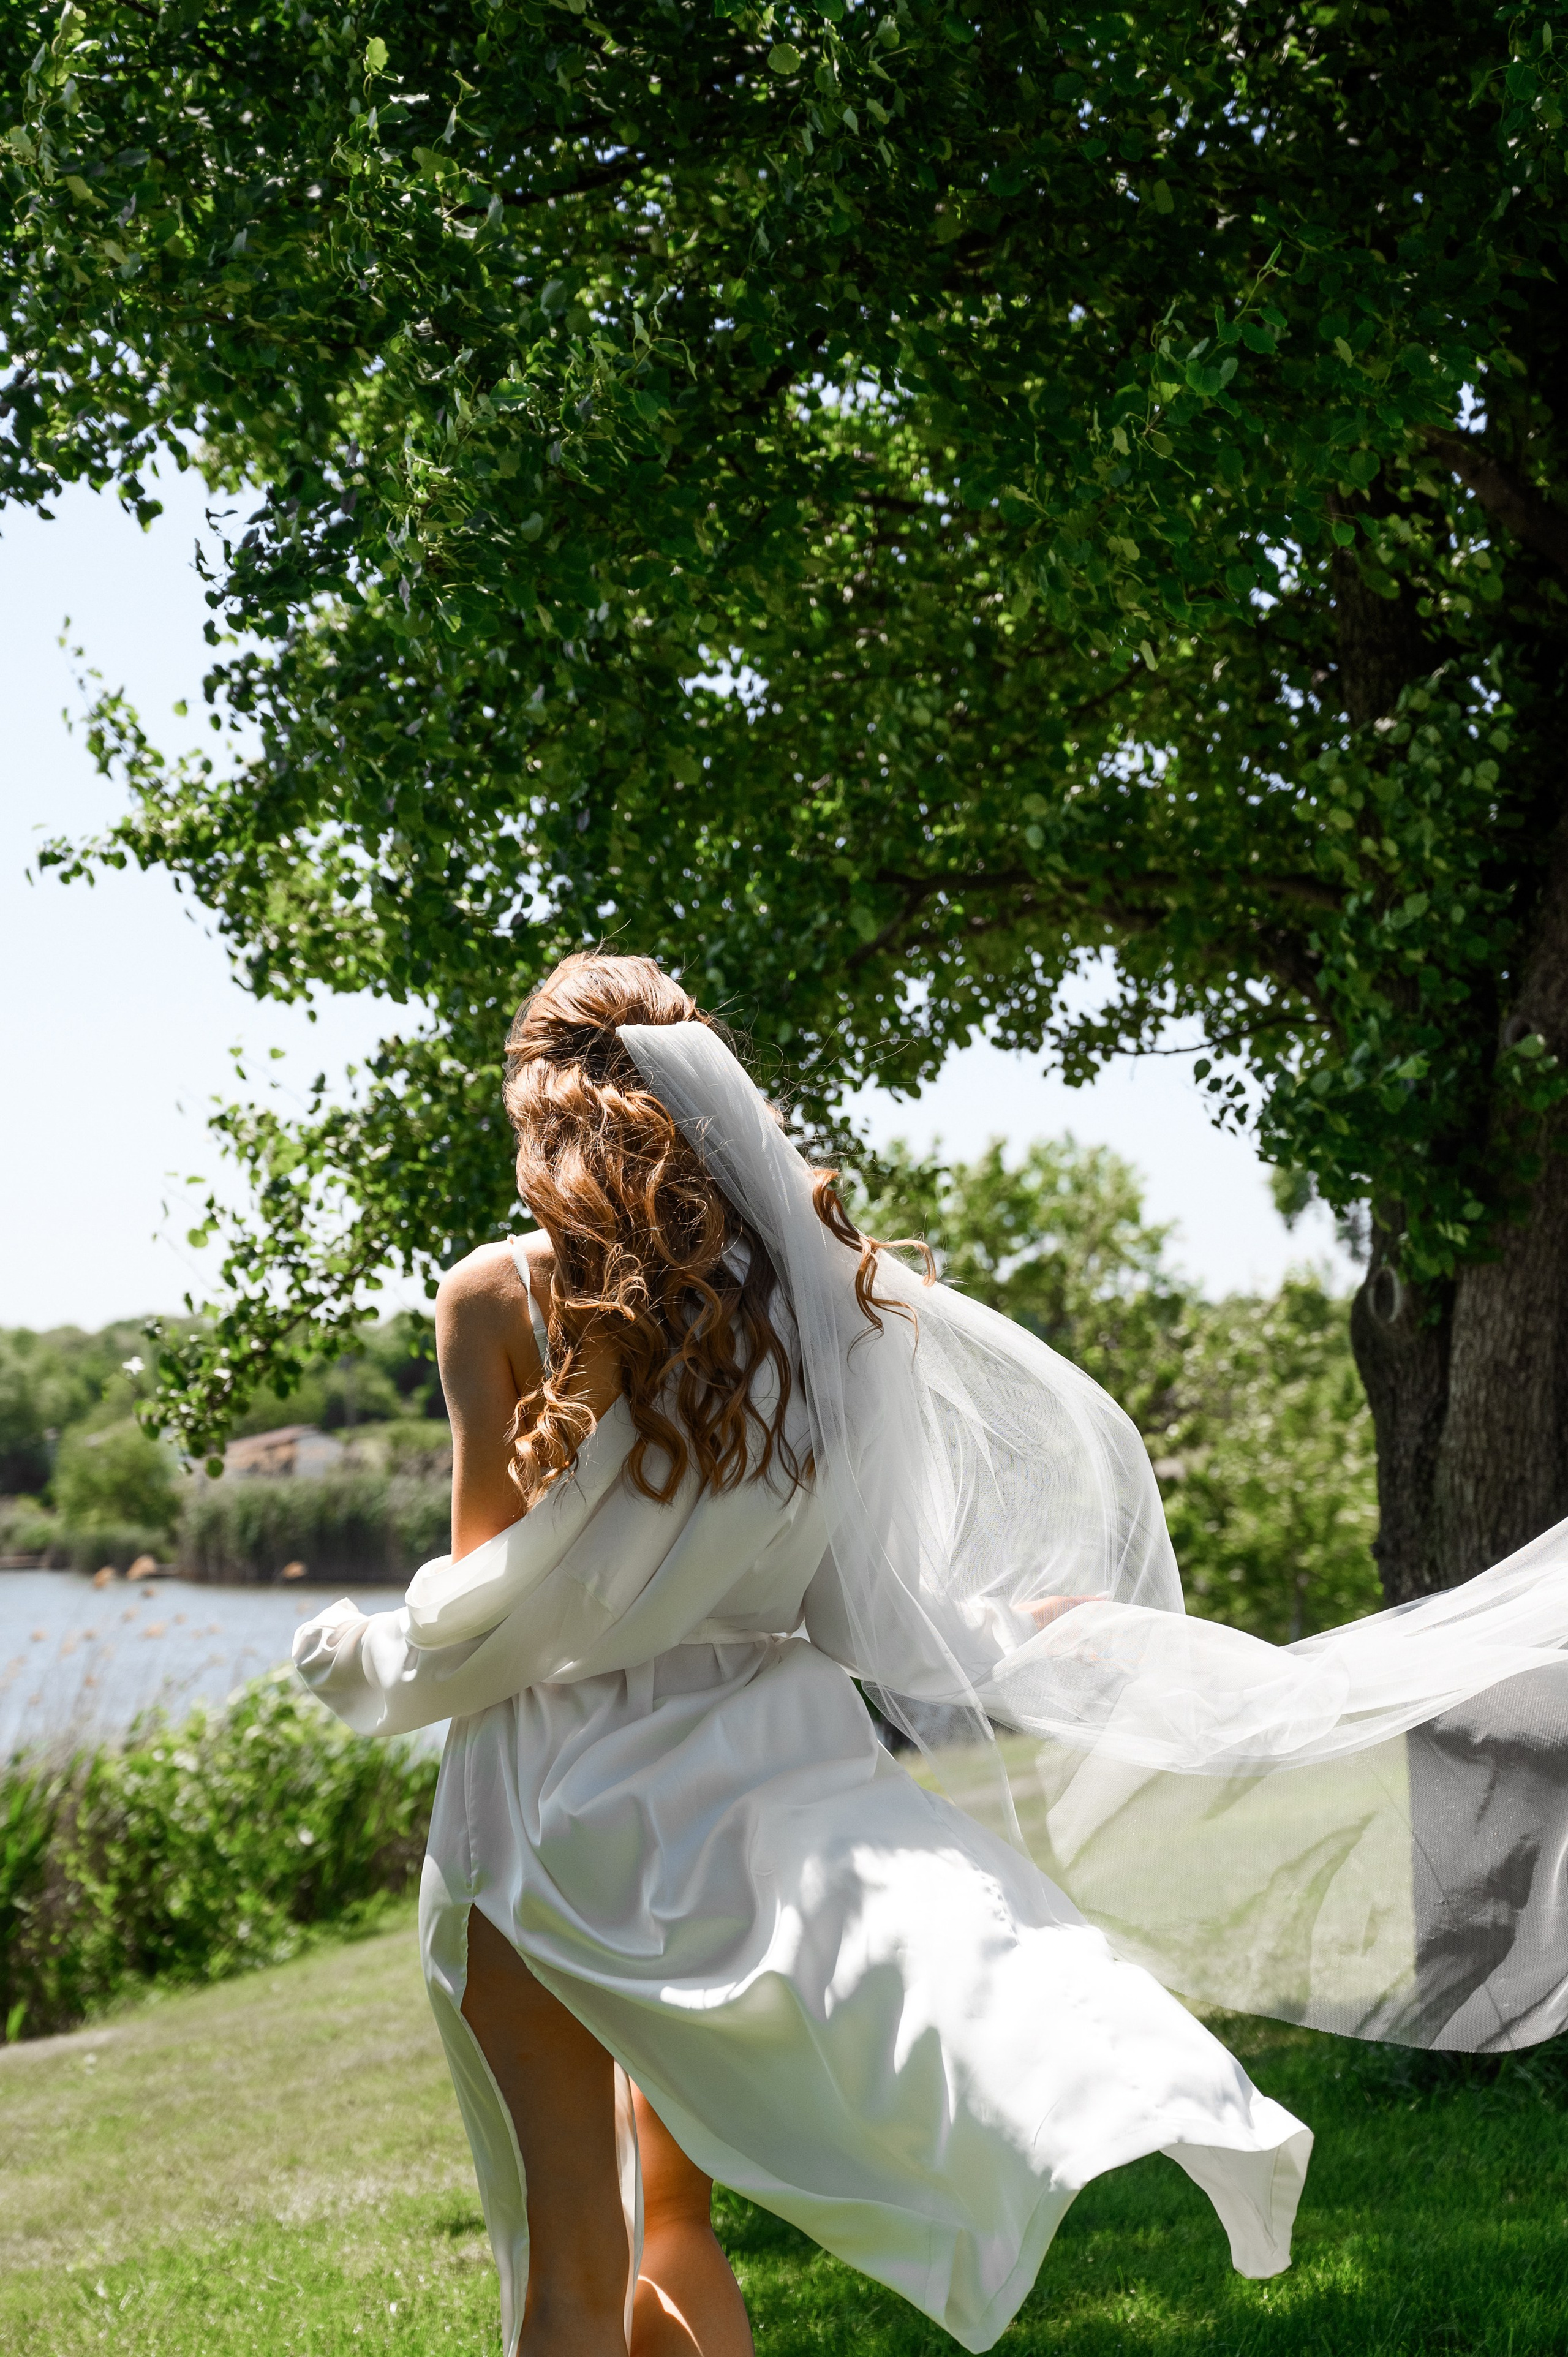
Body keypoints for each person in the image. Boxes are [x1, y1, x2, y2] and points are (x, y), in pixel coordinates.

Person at [296, 952, 1568, 2357]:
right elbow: (857, 1603)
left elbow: (486, 1627)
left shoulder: (495, 1300)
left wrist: (361, 1655)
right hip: (734, 1814)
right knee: (675, 2232)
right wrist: (1037, 1638)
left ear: (539, 1106)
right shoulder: (820, 1305)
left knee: (565, 2277)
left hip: (538, 1816)